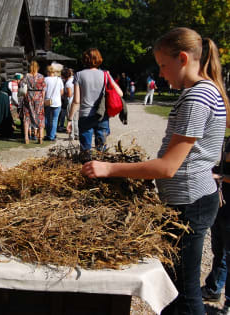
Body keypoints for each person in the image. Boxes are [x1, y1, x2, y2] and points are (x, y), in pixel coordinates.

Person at [81, 27, 229, 315]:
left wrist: (109, 168)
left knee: (185, 296)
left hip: (190, 204)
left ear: (183, 58)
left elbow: (168, 167)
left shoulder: (198, 97)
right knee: (173, 291)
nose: (160, 73)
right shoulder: (200, 92)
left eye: (163, 65)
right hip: (191, 200)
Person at [66, 48, 123, 151]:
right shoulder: (105, 74)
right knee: (101, 150)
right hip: (102, 116)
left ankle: (86, 165)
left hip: (85, 116)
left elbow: (76, 101)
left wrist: (69, 120)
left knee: (85, 151)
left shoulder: (79, 75)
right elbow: (120, 93)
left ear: (85, 60)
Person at [201, 137, 230, 315]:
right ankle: (214, 288)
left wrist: (219, 176)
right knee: (219, 250)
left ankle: (228, 303)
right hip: (223, 205)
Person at [20, 60, 46, 144]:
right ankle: (40, 137)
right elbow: (44, 89)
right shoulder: (41, 76)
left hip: (29, 96)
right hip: (39, 97)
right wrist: (42, 99)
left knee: (27, 117)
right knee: (40, 116)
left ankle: (26, 137)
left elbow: (21, 86)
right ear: (38, 67)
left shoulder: (26, 76)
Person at [44, 64, 64, 141]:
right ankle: (52, 136)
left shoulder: (45, 79)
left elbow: (44, 91)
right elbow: (61, 92)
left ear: (48, 71)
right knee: (55, 119)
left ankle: (48, 134)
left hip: (47, 101)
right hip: (57, 102)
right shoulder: (59, 80)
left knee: (47, 119)